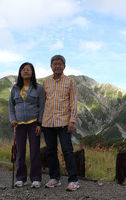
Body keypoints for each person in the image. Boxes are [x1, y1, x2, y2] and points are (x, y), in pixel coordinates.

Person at [42, 55, 79, 191]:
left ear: (64, 66)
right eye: (54, 64)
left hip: (64, 122)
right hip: (47, 122)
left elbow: (73, 102)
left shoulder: (70, 82)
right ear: (51, 66)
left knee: (67, 151)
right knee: (51, 151)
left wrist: (72, 120)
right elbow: (43, 101)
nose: (57, 66)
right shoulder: (45, 82)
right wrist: (40, 122)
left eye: (60, 64)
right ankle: (54, 178)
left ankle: (73, 180)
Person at [9, 62, 44, 188]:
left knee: (34, 151)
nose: (25, 71)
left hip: (33, 123)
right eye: (23, 69)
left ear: (32, 72)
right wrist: (12, 119)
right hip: (19, 124)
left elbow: (41, 107)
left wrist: (39, 123)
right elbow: (11, 106)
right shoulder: (15, 88)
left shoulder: (38, 88)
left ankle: (36, 178)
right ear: (20, 72)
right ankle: (21, 178)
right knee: (20, 152)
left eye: (28, 69)